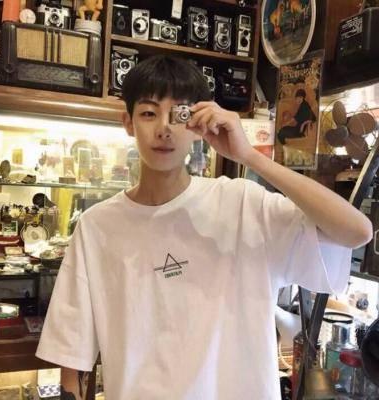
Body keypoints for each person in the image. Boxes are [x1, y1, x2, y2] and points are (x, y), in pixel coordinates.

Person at [36, 55, 372, 400]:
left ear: (198, 123)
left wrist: (250, 157)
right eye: (149, 113)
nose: (164, 129)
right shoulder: (97, 226)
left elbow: (357, 231)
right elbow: (70, 355)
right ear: (128, 122)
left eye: (180, 114)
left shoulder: (243, 204)